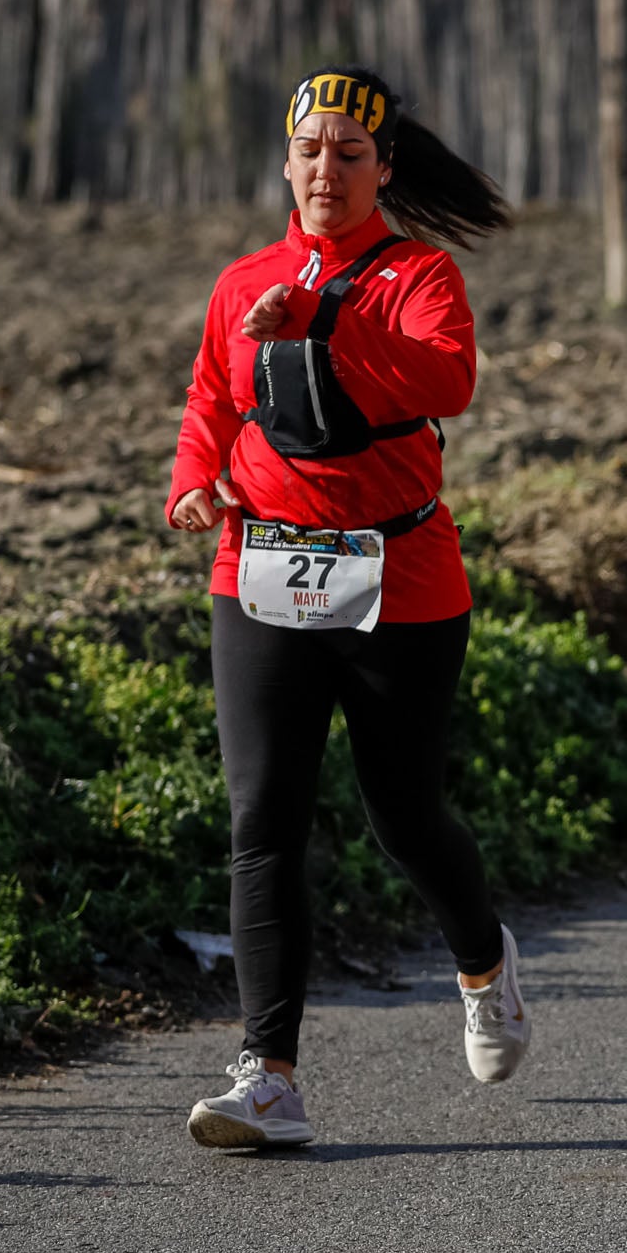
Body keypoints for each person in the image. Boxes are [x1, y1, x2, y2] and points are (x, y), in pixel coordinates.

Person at [169, 64, 524, 1151]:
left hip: (397, 578)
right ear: (287, 162)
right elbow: (214, 396)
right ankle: (268, 1074)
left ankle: (483, 961)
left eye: (350, 152)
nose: (327, 168)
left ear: (384, 168)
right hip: (260, 568)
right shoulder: (243, 280)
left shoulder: (417, 275)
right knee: (262, 819)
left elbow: (445, 380)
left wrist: (324, 316)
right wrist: (192, 480)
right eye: (310, 149)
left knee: (402, 815)